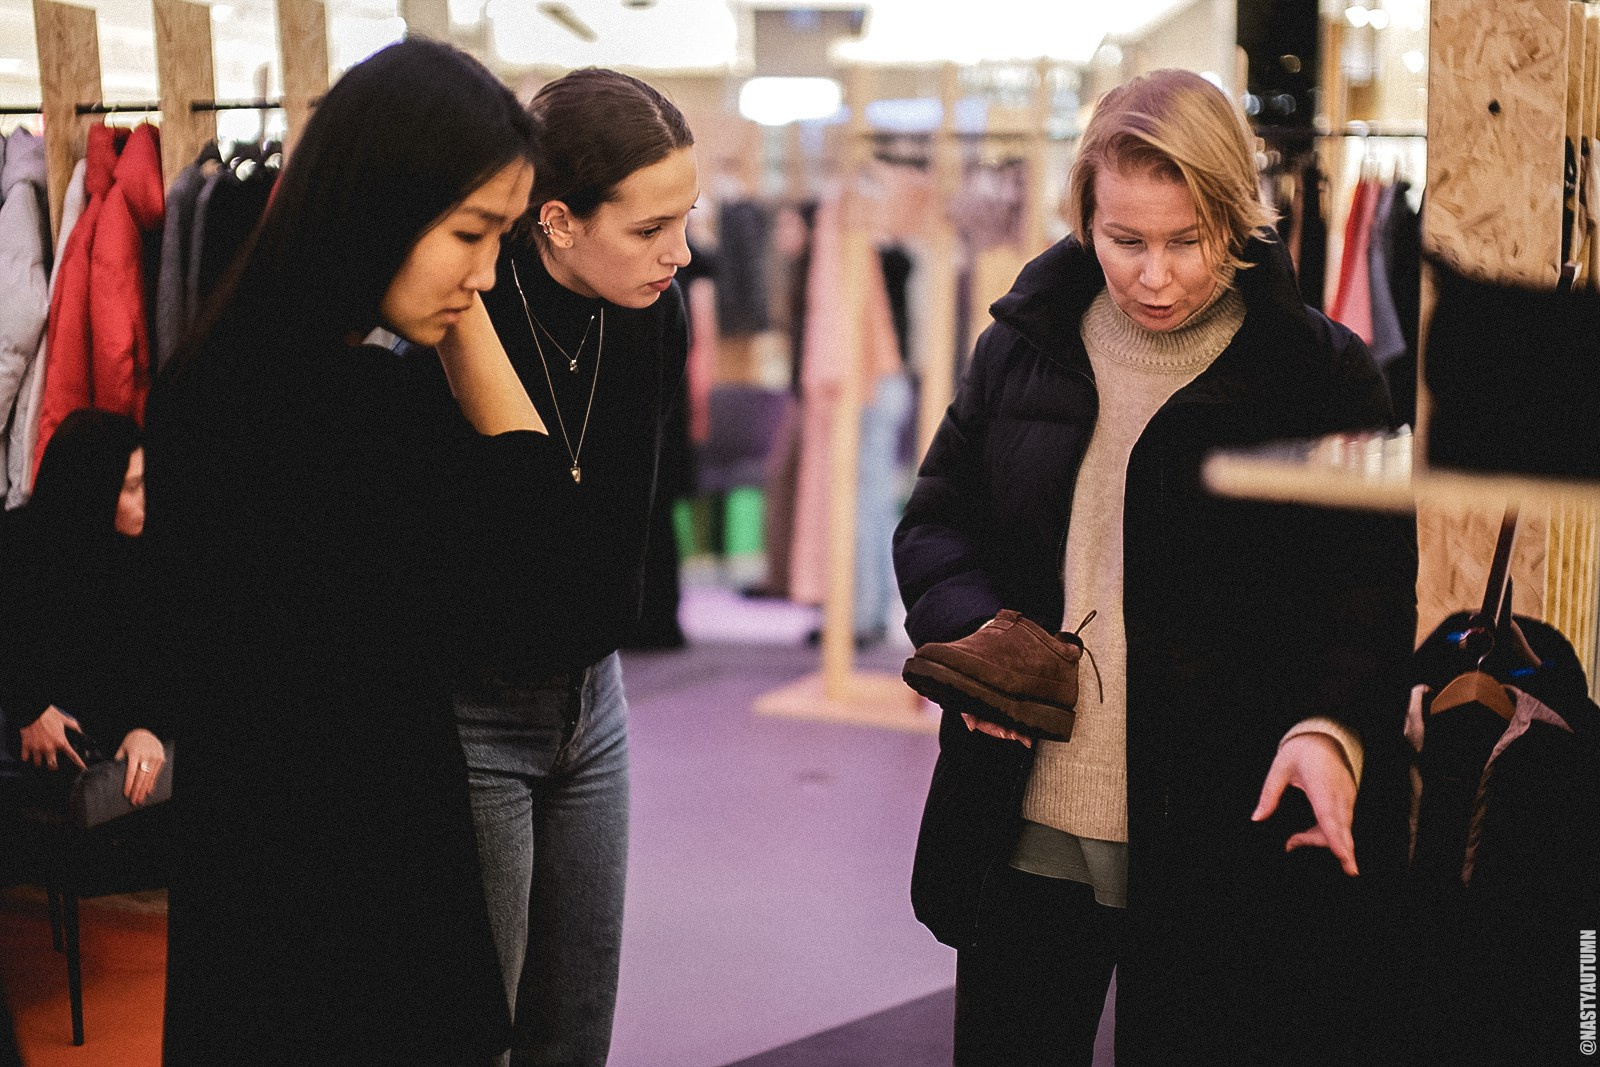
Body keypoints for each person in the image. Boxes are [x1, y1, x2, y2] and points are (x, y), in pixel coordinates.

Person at [893, 69, 1418, 1066]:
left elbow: (1370, 589)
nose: (1156, 276)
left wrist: (1330, 728)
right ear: (1084, 218)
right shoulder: (1022, 346)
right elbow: (936, 521)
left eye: (1188, 240)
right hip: (1025, 816)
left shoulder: (1321, 373)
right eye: (1125, 240)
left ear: (1237, 218)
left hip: (1217, 833)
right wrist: (978, 640)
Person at [143, 38, 555, 1065]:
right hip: (363, 910)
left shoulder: (208, 378)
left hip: (256, 893)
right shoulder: (364, 410)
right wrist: (460, 329)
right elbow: (539, 553)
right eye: (470, 232)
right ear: (383, 200)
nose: (486, 275)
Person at [437, 67, 695, 1066]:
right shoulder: (465, 312)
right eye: (650, 227)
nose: (679, 251)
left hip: (597, 701)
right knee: (479, 1025)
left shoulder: (657, 311)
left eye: (685, 219)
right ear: (556, 220)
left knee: (577, 1027)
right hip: (475, 711)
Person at [0, 408, 165, 806]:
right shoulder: (16, 546)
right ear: (94, 490)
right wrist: (28, 709)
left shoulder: (134, 560)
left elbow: (146, 666)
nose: (145, 499)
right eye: (131, 487)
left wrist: (143, 728)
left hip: (78, 755)